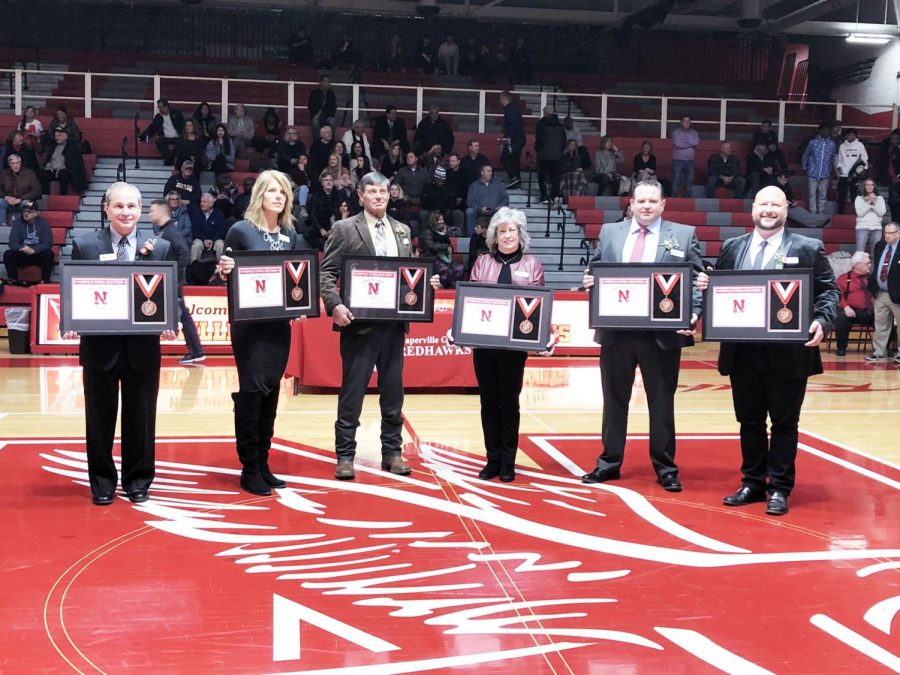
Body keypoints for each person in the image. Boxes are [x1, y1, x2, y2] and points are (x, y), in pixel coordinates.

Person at [708, 185, 838, 516]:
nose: (769, 210)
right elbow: (720, 289)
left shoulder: (808, 247)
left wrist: (823, 320)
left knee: (784, 422)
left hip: (789, 353)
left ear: (786, 209)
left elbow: (828, 291)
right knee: (749, 421)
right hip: (743, 352)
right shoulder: (732, 247)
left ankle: (779, 488)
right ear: (753, 208)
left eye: (776, 205)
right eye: (763, 204)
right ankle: (752, 482)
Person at [579, 179, 703, 492]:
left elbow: (697, 279)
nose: (646, 206)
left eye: (652, 201)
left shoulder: (683, 235)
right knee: (614, 400)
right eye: (640, 201)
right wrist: (589, 282)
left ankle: (665, 468)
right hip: (616, 333)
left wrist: (694, 313)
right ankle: (609, 462)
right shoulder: (610, 232)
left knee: (661, 403)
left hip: (661, 336)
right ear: (631, 204)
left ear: (663, 204)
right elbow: (595, 271)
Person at [319, 171, 439, 481]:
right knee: (352, 392)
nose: (378, 196)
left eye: (383, 191)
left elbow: (406, 276)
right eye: (371, 191)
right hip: (358, 325)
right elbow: (326, 273)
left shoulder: (401, 230)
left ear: (390, 194)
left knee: (393, 392)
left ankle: (392, 453)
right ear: (360, 196)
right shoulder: (344, 228)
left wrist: (425, 285)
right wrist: (335, 305)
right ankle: (345, 455)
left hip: (393, 326)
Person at [66, 182, 174, 505]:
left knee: (141, 416)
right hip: (100, 348)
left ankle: (138, 480)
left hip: (143, 348)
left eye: (132, 206)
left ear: (140, 210)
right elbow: (74, 288)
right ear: (106, 208)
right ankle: (101, 482)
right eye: (119, 206)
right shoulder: (84, 244)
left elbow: (171, 293)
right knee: (98, 418)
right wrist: (70, 320)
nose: (126, 212)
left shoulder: (160, 248)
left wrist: (172, 319)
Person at [215, 170, 313, 495]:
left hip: (278, 327)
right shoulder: (240, 230)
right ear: (260, 194)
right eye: (272, 191)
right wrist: (224, 269)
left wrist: (301, 302)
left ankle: (264, 462)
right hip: (249, 327)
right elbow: (226, 272)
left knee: (271, 391)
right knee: (253, 391)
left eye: (283, 192)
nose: (278, 197)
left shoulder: (291, 235)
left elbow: (296, 280)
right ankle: (249, 467)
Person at [468, 207, 548, 482]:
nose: (507, 235)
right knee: (488, 401)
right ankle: (492, 459)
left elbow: (537, 307)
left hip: (514, 348)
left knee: (509, 401)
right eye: (501, 231)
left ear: (520, 234)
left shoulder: (532, 264)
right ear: (494, 236)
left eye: (512, 230)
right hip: (484, 345)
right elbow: (472, 301)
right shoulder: (482, 263)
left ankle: (508, 461)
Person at [147, 199, 205, 364]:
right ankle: (196, 350)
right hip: (170, 280)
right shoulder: (164, 231)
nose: (149, 214)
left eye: (152, 211)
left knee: (183, 316)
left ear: (161, 211)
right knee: (184, 315)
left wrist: (170, 271)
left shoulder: (171, 231)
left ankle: (196, 350)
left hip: (172, 281)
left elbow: (185, 254)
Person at [865, 222, 900, 363]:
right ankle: (879, 352)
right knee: (880, 324)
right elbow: (877, 266)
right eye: (885, 233)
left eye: (890, 233)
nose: (887, 236)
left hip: (897, 294)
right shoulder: (879, 246)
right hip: (881, 292)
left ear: (898, 233)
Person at [832, 252, 874, 357]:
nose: (870, 265)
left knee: (885, 315)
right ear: (857, 265)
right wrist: (846, 307)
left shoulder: (872, 279)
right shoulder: (843, 278)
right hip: (852, 310)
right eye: (867, 263)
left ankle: (887, 348)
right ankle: (841, 347)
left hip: (870, 311)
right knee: (842, 316)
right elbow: (837, 295)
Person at [3, 200, 53, 281]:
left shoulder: (43, 223)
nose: (26, 214)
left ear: (36, 213)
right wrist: (23, 248)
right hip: (22, 253)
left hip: (37, 254)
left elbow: (48, 243)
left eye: (29, 212)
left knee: (48, 255)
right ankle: (13, 280)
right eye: (24, 211)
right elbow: (12, 243)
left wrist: (34, 250)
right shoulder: (17, 223)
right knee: (8, 255)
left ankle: (45, 281)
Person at [420, 212, 466, 288]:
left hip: (446, 259)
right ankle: (442, 289)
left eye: (442, 219)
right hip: (433, 258)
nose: (442, 221)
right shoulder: (428, 232)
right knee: (446, 270)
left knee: (460, 268)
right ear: (434, 221)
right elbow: (431, 246)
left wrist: (450, 248)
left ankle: (452, 288)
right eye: (439, 220)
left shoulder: (444, 233)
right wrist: (445, 247)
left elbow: (449, 245)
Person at [801, 123, 837, 215]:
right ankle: (813, 213)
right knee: (812, 195)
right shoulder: (813, 142)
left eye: (828, 130)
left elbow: (832, 158)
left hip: (825, 174)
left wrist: (829, 170)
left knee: (822, 195)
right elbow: (806, 154)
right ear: (820, 131)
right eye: (824, 130)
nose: (826, 132)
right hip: (812, 173)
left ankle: (821, 213)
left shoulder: (832, 144)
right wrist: (805, 166)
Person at [39, 128, 86, 196]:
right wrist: (49, 167)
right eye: (56, 136)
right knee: (42, 174)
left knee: (64, 173)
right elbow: (49, 160)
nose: (57, 138)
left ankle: (62, 195)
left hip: (64, 170)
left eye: (59, 135)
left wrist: (60, 169)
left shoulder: (71, 147)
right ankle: (46, 195)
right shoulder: (53, 146)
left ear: (65, 136)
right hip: (53, 170)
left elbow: (72, 163)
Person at [534, 105, 566, 204]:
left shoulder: (541, 124)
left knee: (542, 178)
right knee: (555, 178)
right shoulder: (560, 126)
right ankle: (554, 196)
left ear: (546, 113)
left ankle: (544, 196)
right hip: (556, 157)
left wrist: (538, 149)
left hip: (543, 156)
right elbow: (563, 141)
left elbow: (539, 140)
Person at [466, 164, 509, 236]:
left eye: (491, 171)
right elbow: (470, 202)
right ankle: (472, 237)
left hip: (495, 211)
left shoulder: (499, 185)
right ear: (482, 172)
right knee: (469, 211)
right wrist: (480, 209)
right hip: (480, 212)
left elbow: (506, 199)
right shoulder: (474, 186)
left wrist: (501, 206)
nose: (490, 173)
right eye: (488, 171)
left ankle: (503, 236)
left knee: (505, 211)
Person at [140, 98, 185, 165]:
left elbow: (183, 125)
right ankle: (170, 158)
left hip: (177, 137)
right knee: (159, 141)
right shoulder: (158, 117)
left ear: (166, 107)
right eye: (159, 107)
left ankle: (173, 160)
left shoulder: (176, 113)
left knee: (182, 142)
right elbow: (152, 128)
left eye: (161, 107)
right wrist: (142, 137)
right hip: (165, 138)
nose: (160, 109)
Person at [0, 154, 41, 226]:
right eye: (13, 163)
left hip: (26, 200)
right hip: (9, 201)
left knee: (28, 203)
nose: (16, 165)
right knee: (0, 202)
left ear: (20, 162)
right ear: (9, 164)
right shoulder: (4, 174)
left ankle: (20, 225)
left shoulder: (29, 173)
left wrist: (20, 199)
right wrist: (6, 197)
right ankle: (2, 225)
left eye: (17, 163)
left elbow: (37, 191)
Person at [834, 128, 868, 214]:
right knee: (841, 195)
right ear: (846, 136)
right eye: (849, 135)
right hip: (844, 174)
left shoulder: (860, 145)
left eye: (853, 135)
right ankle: (840, 213)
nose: (851, 137)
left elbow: (864, 159)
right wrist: (839, 167)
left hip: (855, 175)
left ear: (856, 136)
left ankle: (856, 213)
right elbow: (840, 159)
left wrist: (861, 170)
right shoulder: (842, 146)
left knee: (854, 195)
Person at [305, 170, 340, 249]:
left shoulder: (338, 194)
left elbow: (339, 212)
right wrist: (321, 229)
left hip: (334, 225)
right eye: (326, 180)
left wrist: (332, 229)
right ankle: (323, 249)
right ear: (322, 183)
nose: (328, 182)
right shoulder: (316, 196)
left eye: (330, 180)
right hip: (320, 225)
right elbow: (312, 215)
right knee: (309, 234)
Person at [499, 91, 525, 189]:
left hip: (515, 139)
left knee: (505, 157)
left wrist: (508, 137)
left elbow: (512, 124)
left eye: (500, 98)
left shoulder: (510, 109)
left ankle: (514, 177)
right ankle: (516, 180)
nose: (499, 101)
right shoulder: (513, 108)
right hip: (518, 138)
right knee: (514, 160)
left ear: (505, 98)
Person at [190, 193, 226, 262]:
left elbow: (221, 231)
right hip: (201, 239)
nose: (201, 204)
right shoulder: (196, 213)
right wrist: (204, 239)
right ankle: (193, 269)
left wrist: (212, 240)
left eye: (204, 202)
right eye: (201, 201)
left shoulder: (218, 214)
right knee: (196, 245)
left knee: (221, 245)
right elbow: (194, 230)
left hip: (215, 239)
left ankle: (222, 270)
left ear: (211, 204)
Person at [855, 178, 886, 256]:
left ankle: (874, 268)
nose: (870, 187)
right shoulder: (859, 198)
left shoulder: (880, 198)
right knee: (860, 253)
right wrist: (869, 202)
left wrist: (874, 203)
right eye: (867, 185)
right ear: (864, 186)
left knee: (875, 254)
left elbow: (881, 213)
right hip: (862, 227)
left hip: (876, 228)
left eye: (872, 185)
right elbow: (860, 213)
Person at [671, 116, 700, 198]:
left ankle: (688, 200)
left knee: (689, 181)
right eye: (685, 121)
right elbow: (678, 144)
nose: (687, 123)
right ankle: (673, 198)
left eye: (688, 122)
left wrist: (684, 141)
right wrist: (690, 144)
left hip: (690, 161)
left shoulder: (694, 133)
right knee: (676, 180)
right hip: (678, 160)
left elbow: (696, 142)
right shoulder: (676, 132)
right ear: (681, 122)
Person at [308, 75, 337, 139]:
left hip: (327, 115)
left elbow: (334, 106)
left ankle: (331, 141)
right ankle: (317, 141)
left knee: (332, 121)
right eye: (325, 81)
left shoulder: (331, 93)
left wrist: (329, 115)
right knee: (315, 121)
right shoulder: (314, 92)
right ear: (320, 82)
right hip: (317, 115)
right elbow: (311, 105)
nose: (327, 83)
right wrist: (316, 113)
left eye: (328, 82)